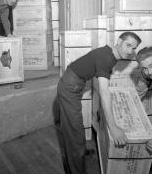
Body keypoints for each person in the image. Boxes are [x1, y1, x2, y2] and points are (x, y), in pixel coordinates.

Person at [57, 32, 142, 174]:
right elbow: (103, 91)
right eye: (128, 45)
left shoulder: (110, 55)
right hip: (69, 87)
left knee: (75, 129)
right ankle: (76, 168)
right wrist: (113, 128)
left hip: (75, 84)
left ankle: (79, 153)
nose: (130, 51)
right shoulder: (106, 57)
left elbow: (99, 82)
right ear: (119, 41)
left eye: (134, 48)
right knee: (75, 130)